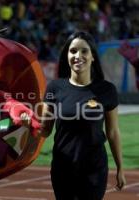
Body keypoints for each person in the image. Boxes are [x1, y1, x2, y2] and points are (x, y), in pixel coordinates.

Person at [35, 31, 126, 200]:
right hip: (63, 168)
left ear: (92, 57)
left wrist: (120, 167)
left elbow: (113, 132)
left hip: (94, 169)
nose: (78, 56)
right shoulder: (54, 88)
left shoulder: (107, 90)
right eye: (73, 51)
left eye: (84, 51)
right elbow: (45, 129)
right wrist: (26, 122)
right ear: (67, 56)